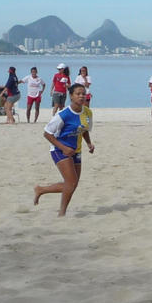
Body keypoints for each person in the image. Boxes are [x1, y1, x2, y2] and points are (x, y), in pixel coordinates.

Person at [35, 83, 94, 216]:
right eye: (78, 94)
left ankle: (41, 190)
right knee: (71, 183)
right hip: (59, 149)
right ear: (71, 96)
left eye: (83, 94)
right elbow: (47, 133)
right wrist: (64, 148)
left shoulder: (88, 112)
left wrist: (89, 144)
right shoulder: (63, 114)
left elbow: (83, 130)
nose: (81, 96)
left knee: (72, 184)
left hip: (76, 150)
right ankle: (61, 214)